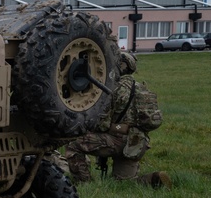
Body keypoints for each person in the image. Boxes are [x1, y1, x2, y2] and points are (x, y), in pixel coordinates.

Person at [65, 51, 170, 188]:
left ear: (120, 65)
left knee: (73, 143)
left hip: (116, 141)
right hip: (136, 143)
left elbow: (102, 125)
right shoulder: (141, 88)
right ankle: (154, 179)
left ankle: (84, 183)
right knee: (124, 183)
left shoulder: (112, 88)